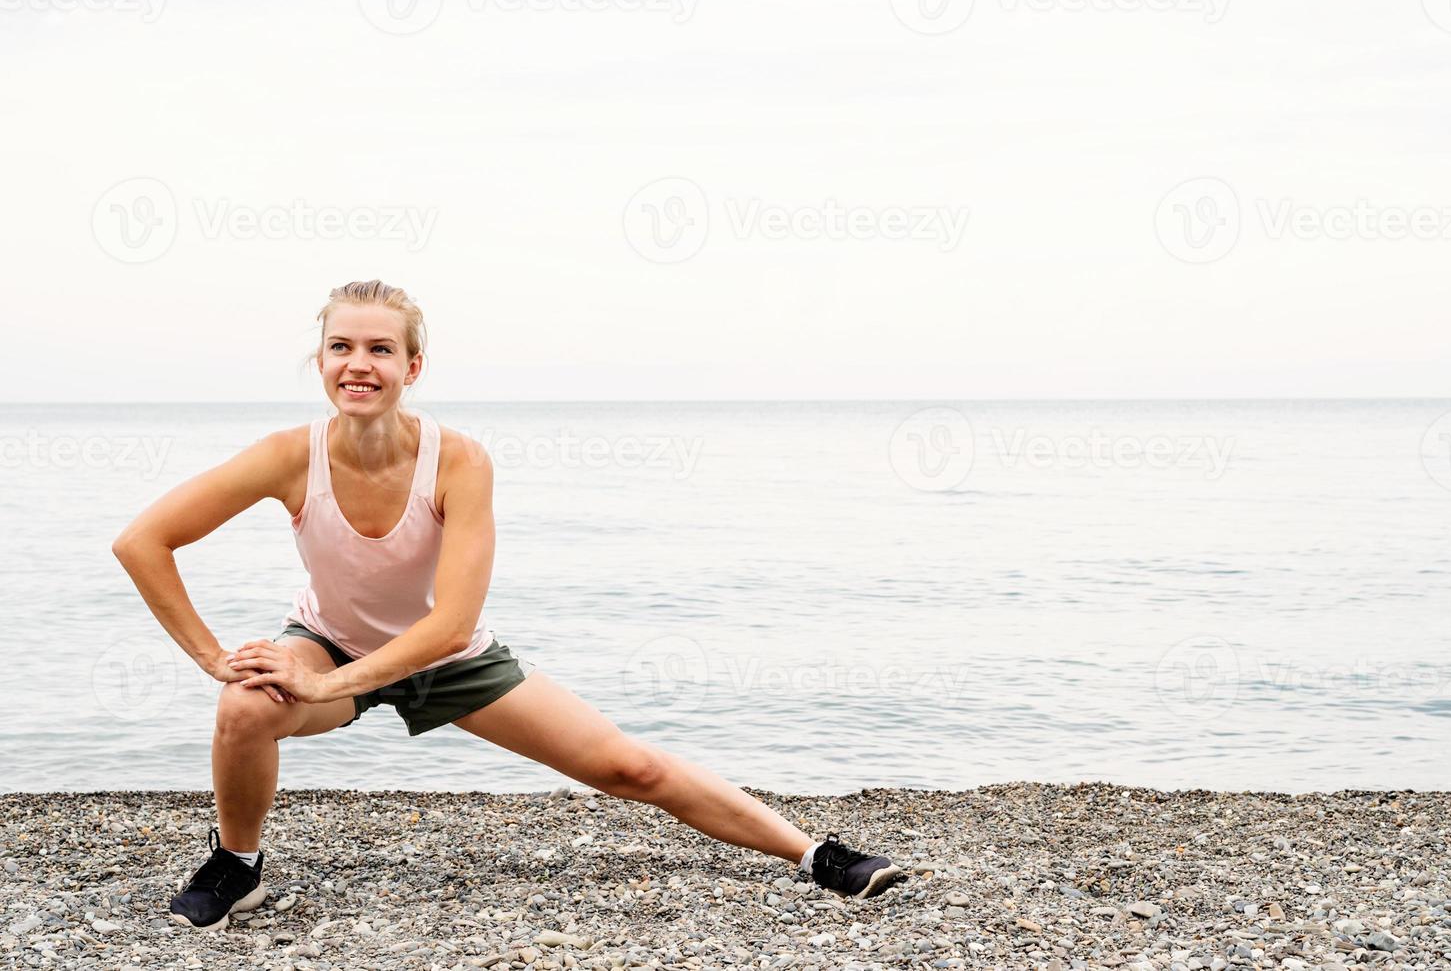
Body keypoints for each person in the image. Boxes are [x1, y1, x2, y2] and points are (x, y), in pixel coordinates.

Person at [112, 280, 906, 931]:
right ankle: (238, 865)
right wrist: (216, 657)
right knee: (244, 703)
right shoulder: (287, 456)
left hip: (449, 657)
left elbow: (450, 625)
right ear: (320, 361)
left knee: (629, 766)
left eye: (380, 349)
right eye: (341, 347)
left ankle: (817, 856)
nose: (359, 364)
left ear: (413, 367)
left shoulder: (458, 461)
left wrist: (328, 688)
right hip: (332, 644)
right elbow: (142, 541)